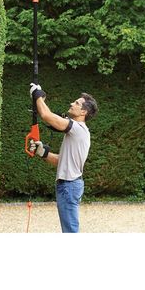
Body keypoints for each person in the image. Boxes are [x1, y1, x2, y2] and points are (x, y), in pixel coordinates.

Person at [29, 83, 98, 233]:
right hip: (68, 185)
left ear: (83, 112)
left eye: (77, 103)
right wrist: (43, 153)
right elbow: (62, 161)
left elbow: (46, 116)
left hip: (69, 186)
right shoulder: (78, 132)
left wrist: (37, 95)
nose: (72, 104)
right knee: (68, 230)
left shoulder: (77, 128)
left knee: (70, 232)